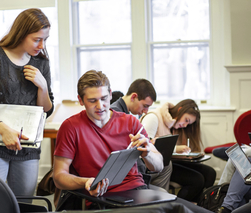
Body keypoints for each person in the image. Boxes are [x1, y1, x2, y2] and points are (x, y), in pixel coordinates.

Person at [53, 70, 212, 212]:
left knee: (190, 210)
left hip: (138, 191)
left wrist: (147, 152)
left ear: (110, 94)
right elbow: (59, 176)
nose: (100, 106)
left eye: (104, 98)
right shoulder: (71, 127)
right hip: (102, 198)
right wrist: (86, 182)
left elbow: (157, 166)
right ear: (81, 101)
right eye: (92, 101)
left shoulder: (130, 122)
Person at [0, 8, 54, 213]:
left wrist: (43, 86)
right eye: (36, 39)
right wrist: (3, 129)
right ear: (21, 33)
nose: (42, 46)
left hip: (27, 147)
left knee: (23, 207)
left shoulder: (42, 62)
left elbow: (46, 110)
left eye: (45, 40)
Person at [140, 99, 216, 202]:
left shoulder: (172, 124)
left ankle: (202, 205)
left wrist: (185, 154)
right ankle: (178, 207)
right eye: (186, 120)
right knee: (197, 180)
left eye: (188, 124)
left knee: (210, 173)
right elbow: (145, 146)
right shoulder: (153, 117)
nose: (185, 125)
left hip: (168, 162)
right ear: (180, 110)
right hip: (157, 166)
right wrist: (176, 148)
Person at [110, 79, 172, 191]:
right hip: (127, 178)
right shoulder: (116, 115)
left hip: (134, 173)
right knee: (166, 169)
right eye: (145, 105)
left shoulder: (127, 116)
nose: (146, 111)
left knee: (164, 165)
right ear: (133, 97)